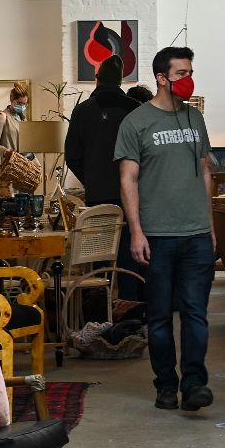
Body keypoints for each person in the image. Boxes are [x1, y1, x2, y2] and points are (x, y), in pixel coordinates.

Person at [116, 46, 216, 411]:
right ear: (161, 78)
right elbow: (127, 180)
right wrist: (136, 231)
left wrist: (210, 226)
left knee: (195, 313)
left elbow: (204, 171)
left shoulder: (195, 118)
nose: (188, 80)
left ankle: (194, 384)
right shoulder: (136, 122)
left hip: (196, 235)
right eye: (181, 74)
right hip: (156, 236)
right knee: (159, 317)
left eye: (190, 73)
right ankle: (166, 385)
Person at [65, 58, 144, 300]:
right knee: (131, 255)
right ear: (120, 80)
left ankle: (99, 310)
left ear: (97, 78)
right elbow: (148, 154)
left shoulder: (82, 111)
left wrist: (91, 179)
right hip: (133, 196)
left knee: (98, 256)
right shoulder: (135, 109)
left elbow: (72, 156)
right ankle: (131, 309)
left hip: (98, 197)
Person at [0, 83, 29, 163]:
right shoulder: (1, 117)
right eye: (19, 103)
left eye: (24, 104)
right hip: (5, 165)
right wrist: (6, 151)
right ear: (12, 100)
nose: (22, 106)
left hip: (20, 166)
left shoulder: (23, 119)